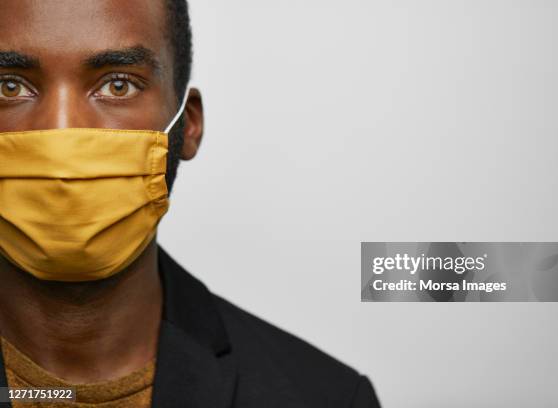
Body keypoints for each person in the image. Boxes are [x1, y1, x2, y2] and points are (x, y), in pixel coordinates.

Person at [0, 1, 381, 407]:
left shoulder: (327, 397)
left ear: (189, 124)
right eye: (9, 86)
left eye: (118, 85)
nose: (63, 136)